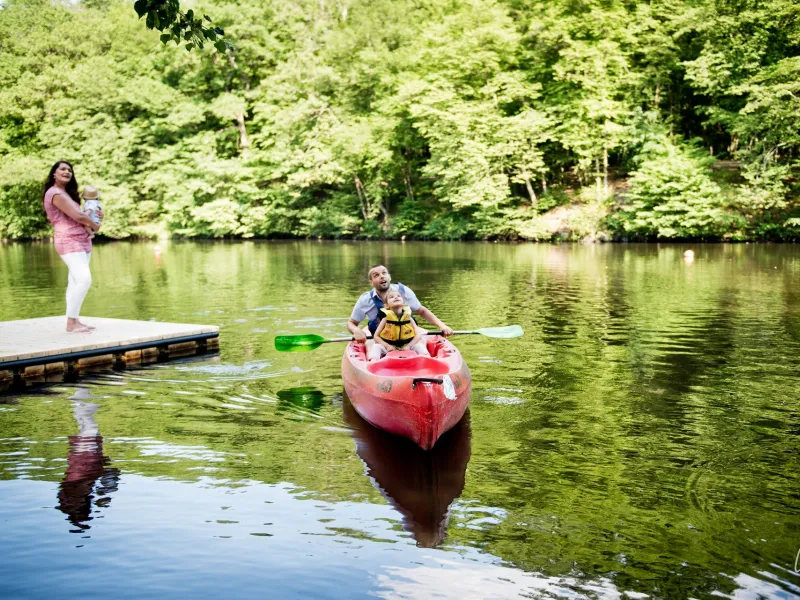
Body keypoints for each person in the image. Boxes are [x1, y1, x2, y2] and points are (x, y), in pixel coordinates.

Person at [42, 161, 102, 333]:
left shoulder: (67, 194)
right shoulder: (55, 193)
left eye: (69, 170)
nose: (67, 172)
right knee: (84, 279)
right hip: (68, 241)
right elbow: (78, 216)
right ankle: (71, 323)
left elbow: (84, 217)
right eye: (62, 169)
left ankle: (74, 320)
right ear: (54, 173)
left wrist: (98, 217)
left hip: (82, 241)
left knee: (74, 282)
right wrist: (95, 226)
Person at [347, 264, 453, 353]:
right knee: (370, 346)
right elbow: (351, 323)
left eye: (384, 273)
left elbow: (422, 311)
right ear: (371, 282)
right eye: (376, 275)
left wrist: (442, 326)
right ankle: (373, 368)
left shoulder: (404, 292)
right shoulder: (365, 299)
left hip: (408, 337)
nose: (382, 276)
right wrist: (356, 330)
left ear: (389, 277)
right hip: (381, 340)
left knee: (421, 343)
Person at [369, 290, 431, 361]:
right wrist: (387, 346)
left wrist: (409, 346)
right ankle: (373, 362)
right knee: (377, 347)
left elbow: (418, 335)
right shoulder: (385, 319)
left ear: (403, 303)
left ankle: (427, 359)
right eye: (391, 297)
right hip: (389, 347)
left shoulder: (409, 319)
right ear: (386, 305)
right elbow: (376, 336)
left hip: (407, 346)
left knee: (419, 346)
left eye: (398, 296)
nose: (396, 297)